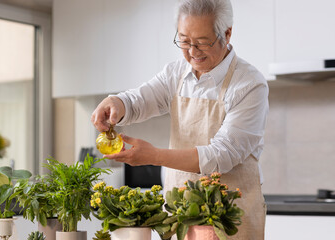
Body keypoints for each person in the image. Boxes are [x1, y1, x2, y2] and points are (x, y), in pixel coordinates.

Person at [91, 0, 268, 239]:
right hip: (181, 215)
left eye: (202, 42)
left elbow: (222, 154)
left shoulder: (249, 84)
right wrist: (117, 103)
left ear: (226, 33)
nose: (193, 52)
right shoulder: (176, 74)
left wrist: (153, 156)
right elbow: (140, 100)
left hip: (231, 221)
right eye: (184, 41)